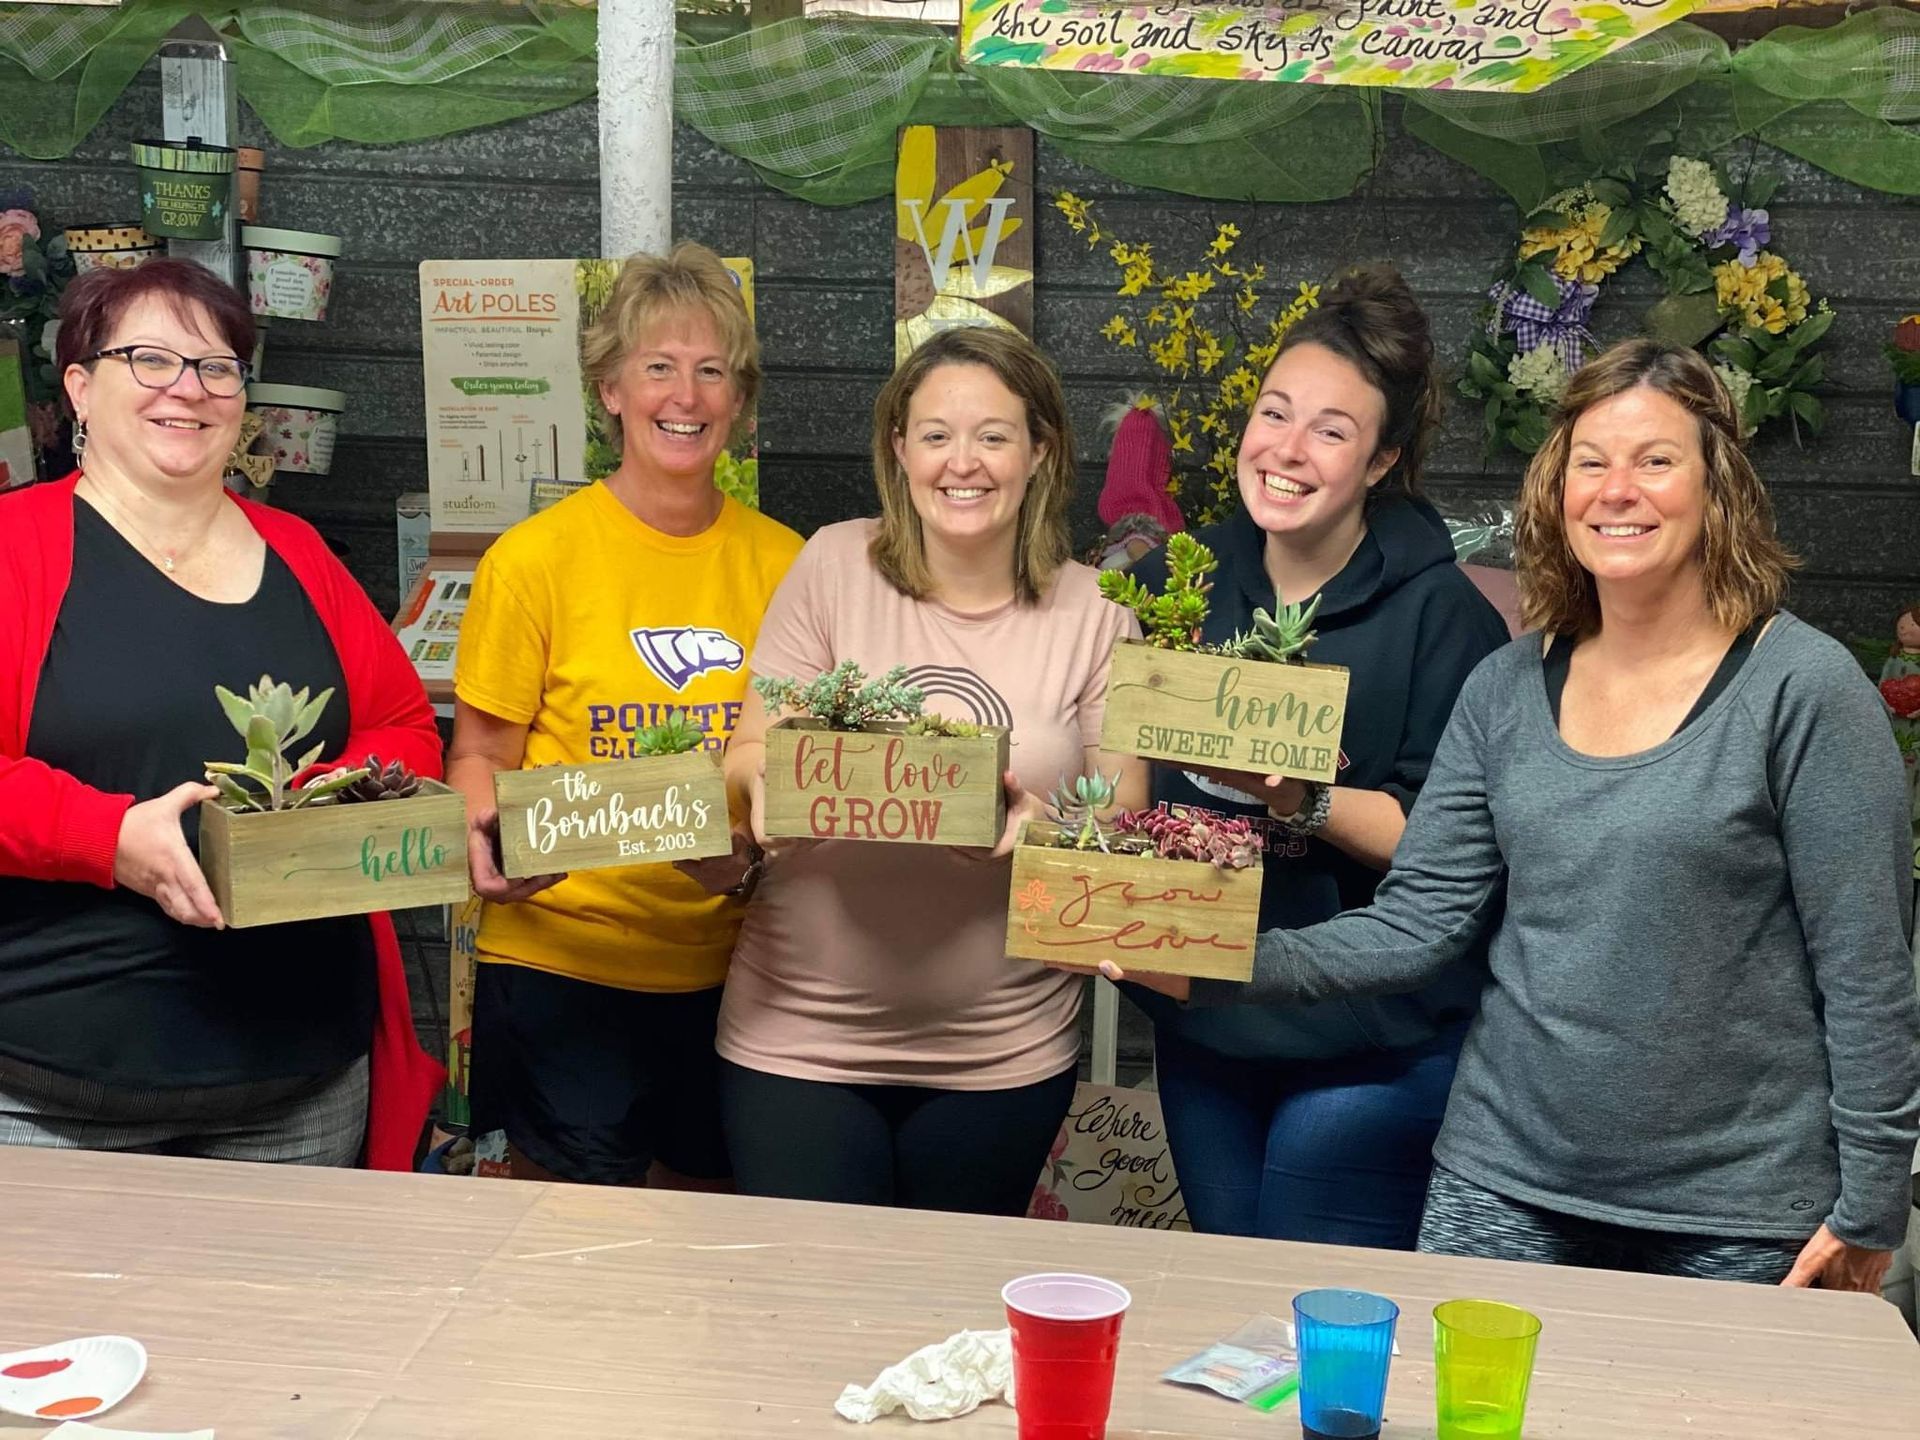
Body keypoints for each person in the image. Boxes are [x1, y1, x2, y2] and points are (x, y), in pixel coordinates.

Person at [1106, 339, 1920, 1289]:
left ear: (1718, 487)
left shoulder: (1802, 689)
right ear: (1556, 489)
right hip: (1502, 1187)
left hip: (1738, 1213)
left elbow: (1866, 969)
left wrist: (1870, 1200)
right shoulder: (1505, 689)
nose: (1618, 490)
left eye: (1656, 460)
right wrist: (1207, 962)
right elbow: (1416, 924)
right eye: (1590, 463)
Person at [0, 259, 443, 1167]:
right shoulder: (15, 549)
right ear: (81, 387)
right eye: (150, 360)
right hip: (53, 1089)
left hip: (302, 1084)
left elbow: (402, 726)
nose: (187, 390)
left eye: (217, 367)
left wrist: (307, 812)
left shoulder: (299, 551)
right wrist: (107, 837)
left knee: (293, 1314)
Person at [715, 325, 1143, 1216]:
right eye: (936, 434)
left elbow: (1126, 847)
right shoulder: (833, 562)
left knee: (949, 1332)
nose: (964, 462)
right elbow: (751, 750)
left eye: (993, 435)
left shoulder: (1101, 613)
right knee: (810, 1321)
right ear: (899, 449)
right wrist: (759, 792)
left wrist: (1042, 837)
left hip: (1004, 1055)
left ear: (1040, 451)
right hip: (797, 1040)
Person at [1124, 265, 1508, 1247]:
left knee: (1304, 1309)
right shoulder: (1182, 579)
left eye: (1331, 431)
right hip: (1209, 1008)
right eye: (1275, 413)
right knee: (1229, 1282)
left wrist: (1303, 797)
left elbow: (1451, 850)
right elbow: (1129, 767)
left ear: (1380, 463)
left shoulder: (1444, 618)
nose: (1287, 451)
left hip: (1373, 1034)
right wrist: (1091, 859)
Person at [450, 242, 803, 1188]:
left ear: (737, 398)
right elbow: (479, 754)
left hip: (736, 976)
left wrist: (747, 862)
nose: (683, 395)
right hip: (563, 962)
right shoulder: (533, 561)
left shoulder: (789, 567)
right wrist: (490, 843)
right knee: (566, 1260)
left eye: (711, 370)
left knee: (711, 1250)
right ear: (610, 388)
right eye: (657, 367)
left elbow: (793, 777)